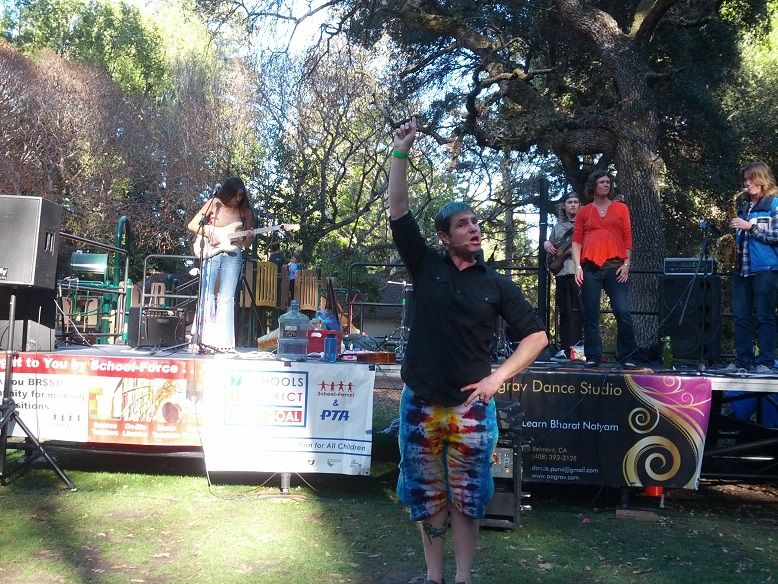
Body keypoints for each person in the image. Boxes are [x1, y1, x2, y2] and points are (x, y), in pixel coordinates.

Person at [389, 117, 547, 584]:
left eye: (476, 222)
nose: (474, 229)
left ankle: (462, 579)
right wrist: (401, 152)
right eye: (463, 224)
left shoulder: (496, 284)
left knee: (469, 498)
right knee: (427, 497)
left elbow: (536, 337)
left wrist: (498, 378)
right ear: (445, 236)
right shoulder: (425, 264)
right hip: (420, 402)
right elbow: (398, 209)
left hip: (472, 408)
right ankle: (433, 578)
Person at [571, 170, 639, 368]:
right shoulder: (584, 211)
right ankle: (593, 356)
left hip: (615, 267)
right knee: (590, 313)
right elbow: (576, 241)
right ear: (594, 185)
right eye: (601, 182)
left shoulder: (621, 208)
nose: (606, 185)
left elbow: (627, 237)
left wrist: (627, 264)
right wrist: (577, 267)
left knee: (622, 311)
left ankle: (627, 356)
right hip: (590, 268)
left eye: (608, 182)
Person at [187, 176, 254, 351]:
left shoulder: (245, 212)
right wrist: (210, 234)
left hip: (233, 255)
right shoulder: (214, 204)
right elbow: (192, 225)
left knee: (227, 296)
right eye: (235, 195)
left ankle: (223, 342)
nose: (238, 198)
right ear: (227, 192)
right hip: (212, 252)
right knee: (206, 292)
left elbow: (246, 244)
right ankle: (202, 338)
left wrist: (248, 238)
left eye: (241, 195)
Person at [727, 161, 778, 373]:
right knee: (740, 317)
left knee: (765, 316)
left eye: (750, 179)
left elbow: (776, 235)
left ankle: (766, 362)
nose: (746, 184)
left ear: (762, 179)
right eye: (745, 180)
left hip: (765, 268)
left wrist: (750, 227)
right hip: (741, 269)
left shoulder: (774, 204)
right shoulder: (744, 206)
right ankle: (742, 361)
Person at [543, 192, 583, 359]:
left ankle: (580, 349)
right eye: (569, 202)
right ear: (564, 206)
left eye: (575, 202)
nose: (573, 205)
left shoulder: (585, 224)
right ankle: (565, 349)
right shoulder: (558, 227)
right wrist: (546, 243)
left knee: (581, 311)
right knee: (564, 312)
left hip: (579, 273)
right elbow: (552, 247)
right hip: (561, 273)